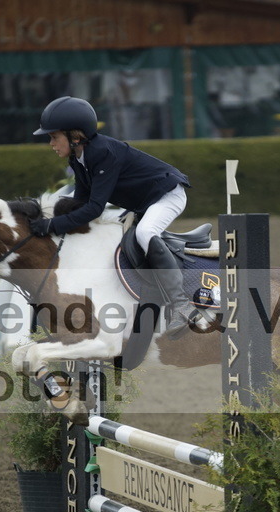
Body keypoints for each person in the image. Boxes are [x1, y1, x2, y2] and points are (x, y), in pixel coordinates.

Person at [28, 96, 195, 335]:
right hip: (143, 203)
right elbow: (80, 203)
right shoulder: (78, 158)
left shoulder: (102, 152)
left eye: (54, 137)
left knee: (146, 233)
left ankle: (182, 305)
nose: (51, 143)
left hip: (167, 195)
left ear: (75, 136)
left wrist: (52, 225)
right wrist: (44, 217)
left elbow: (95, 208)